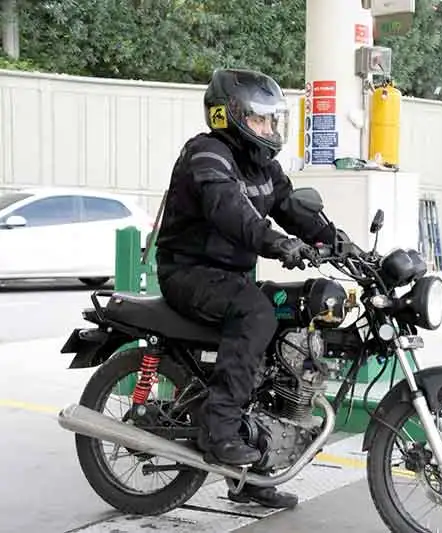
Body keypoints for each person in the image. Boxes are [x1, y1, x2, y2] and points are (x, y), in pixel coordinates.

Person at [155, 68, 342, 509]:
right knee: (257, 313)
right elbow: (229, 210)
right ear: (229, 116)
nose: (269, 128)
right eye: (260, 119)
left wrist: (338, 242)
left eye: (272, 120)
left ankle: (255, 470)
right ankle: (219, 429)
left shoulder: (264, 166)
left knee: (286, 323)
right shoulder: (207, 154)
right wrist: (278, 243)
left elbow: (292, 208)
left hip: (230, 277)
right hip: (189, 272)